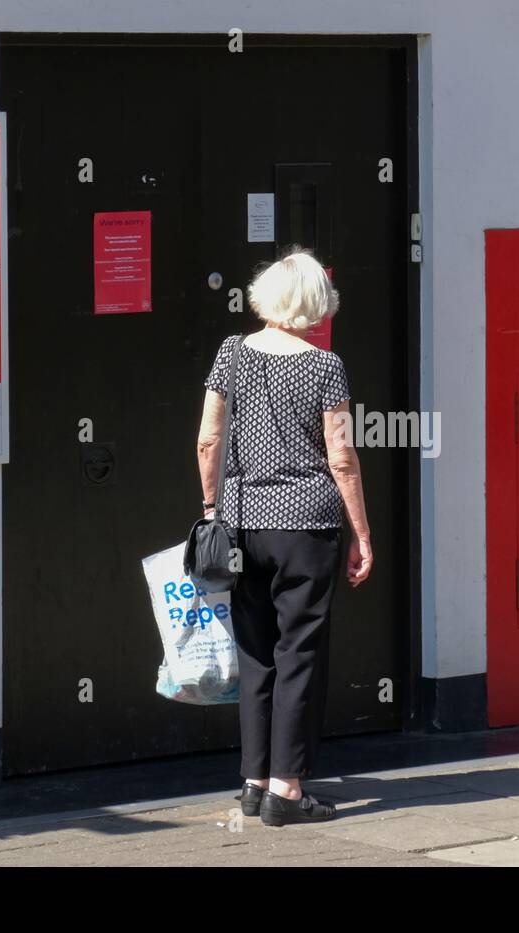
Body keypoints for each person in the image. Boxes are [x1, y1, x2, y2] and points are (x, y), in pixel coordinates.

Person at [195, 247, 373, 826]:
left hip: (243, 523)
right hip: (308, 527)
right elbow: (342, 457)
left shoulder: (232, 353)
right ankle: (286, 791)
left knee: (254, 652)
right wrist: (362, 534)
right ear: (316, 306)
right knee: (298, 652)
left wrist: (211, 505)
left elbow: (207, 440)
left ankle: (251, 782)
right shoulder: (327, 367)